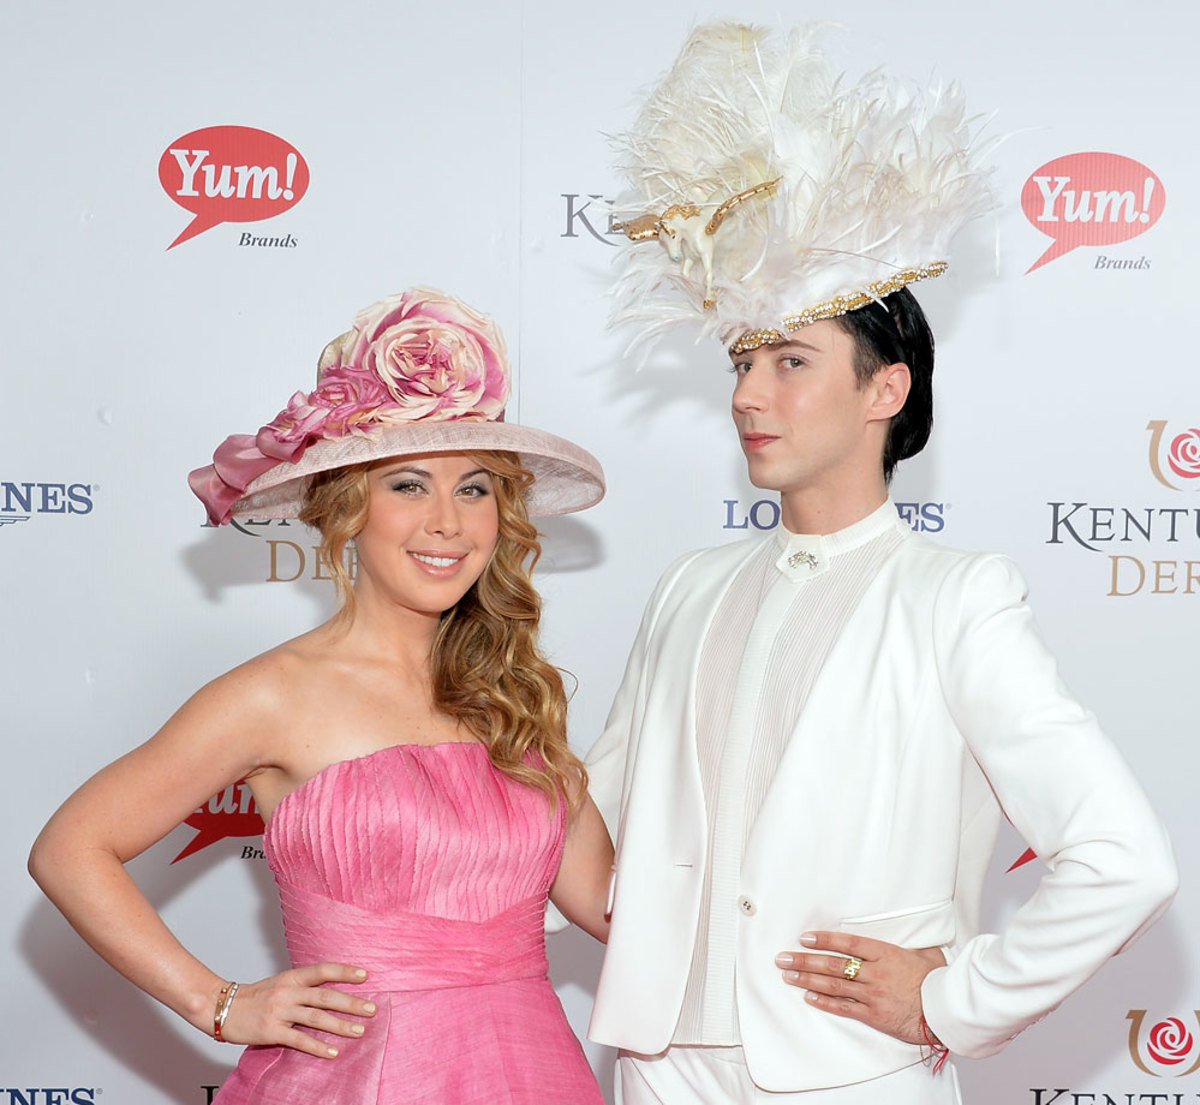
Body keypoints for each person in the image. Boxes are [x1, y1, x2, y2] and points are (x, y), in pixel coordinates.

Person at [584, 22, 1178, 1104]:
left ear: (886, 390)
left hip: (847, 1073)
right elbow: (593, 828)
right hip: (660, 1071)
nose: (748, 395)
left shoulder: (955, 597)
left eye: (790, 362)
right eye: (742, 360)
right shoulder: (689, 586)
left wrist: (956, 997)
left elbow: (1124, 857)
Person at [29, 287, 612, 1104]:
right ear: (347, 510)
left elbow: (608, 903)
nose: (447, 522)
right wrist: (219, 1002)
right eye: (408, 485)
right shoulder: (274, 693)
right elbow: (69, 848)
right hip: (360, 1078)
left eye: (474, 488)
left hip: (530, 1069)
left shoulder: (513, 694)